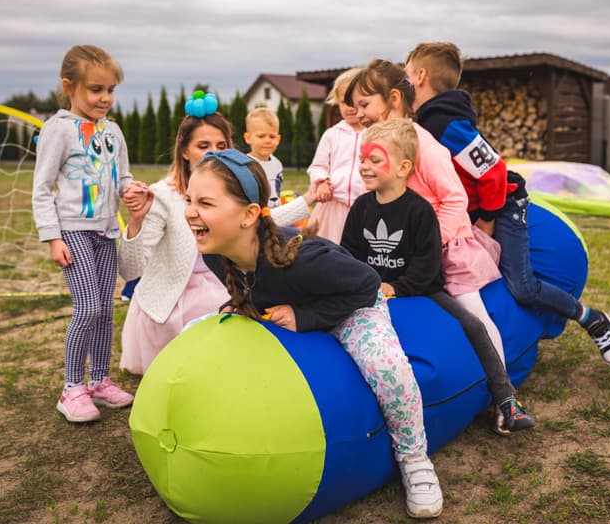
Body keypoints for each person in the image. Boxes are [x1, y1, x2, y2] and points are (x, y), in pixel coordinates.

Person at [186, 149, 444, 519]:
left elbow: (366, 285)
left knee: (388, 368)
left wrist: (306, 316)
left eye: (205, 203)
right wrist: (239, 305)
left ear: (248, 215)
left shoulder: (303, 257)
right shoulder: (214, 250)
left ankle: (414, 457)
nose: (191, 212)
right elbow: (247, 287)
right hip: (290, 310)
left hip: (351, 309)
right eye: (189, 200)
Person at [404, 42, 610, 367]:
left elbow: (494, 171)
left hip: (505, 204)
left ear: (421, 76)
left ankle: (590, 318)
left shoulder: (447, 125)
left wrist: (487, 218)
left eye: (407, 75)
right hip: (469, 211)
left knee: (522, 286)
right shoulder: (422, 124)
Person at [340, 119, 534, 435]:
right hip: (372, 291)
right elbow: (349, 253)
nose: (364, 166)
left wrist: (395, 287)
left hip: (422, 290)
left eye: (374, 160)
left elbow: (426, 267)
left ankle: (506, 398)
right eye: (362, 159)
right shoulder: (361, 207)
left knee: (473, 324)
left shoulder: (420, 211)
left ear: (403, 168)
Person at [118, 94, 316, 375]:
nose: (213, 154)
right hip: (175, 300)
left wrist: (307, 200)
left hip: (223, 281)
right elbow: (130, 269)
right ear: (184, 151)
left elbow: (257, 220)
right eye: (203, 146)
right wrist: (137, 221)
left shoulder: (232, 190)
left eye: (221, 146)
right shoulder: (162, 195)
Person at [345, 58, 509, 368]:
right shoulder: (377, 147)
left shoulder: (423, 144)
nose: (359, 114)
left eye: (364, 104)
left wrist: (431, 242)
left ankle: (502, 381)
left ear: (394, 99)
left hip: (444, 248)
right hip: (403, 249)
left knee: (472, 314)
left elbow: (454, 198)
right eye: (355, 106)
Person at [31, 44, 135, 423]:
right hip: (73, 231)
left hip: (107, 233)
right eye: (95, 89)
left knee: (105, 310)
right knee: (88, 307)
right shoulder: (57, 130)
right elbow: (42, 189)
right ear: (69, 87)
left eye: (110, 90)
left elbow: (123, 177)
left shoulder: (114, 131)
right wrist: (52, 237)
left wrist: (132, 191)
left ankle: (100, 382)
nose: (105, 98)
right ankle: (72, 388)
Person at [306, 67, 366, 243]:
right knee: (330, 246)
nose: (350, 108)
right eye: (344, 102)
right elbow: (318, 166)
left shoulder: (375, 132)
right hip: (333, 205)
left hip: (364, 205)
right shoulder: (332, 134)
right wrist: (322, 181)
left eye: (354, 102)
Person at [244, 107, 284, 208]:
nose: (267, 141)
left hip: (276, 212)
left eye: (272, 136)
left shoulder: (277, 164)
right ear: (248, 138)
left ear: (278, 139)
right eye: (261, 136)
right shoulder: (246, 165)